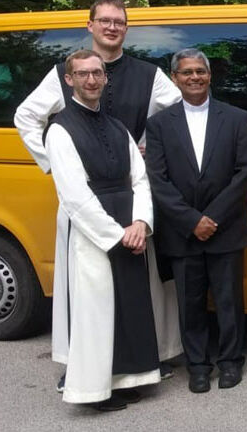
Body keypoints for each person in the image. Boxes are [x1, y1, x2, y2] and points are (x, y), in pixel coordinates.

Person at [14, 0, 183, 385]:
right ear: (89, 26)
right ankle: (80, 366)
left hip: (130, 196)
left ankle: (145, 358)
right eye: (104, 21)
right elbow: (26, 116)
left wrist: (147, 149)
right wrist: (61, 165)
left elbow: (175, 116)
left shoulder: (147, 74)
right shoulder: (64, 72)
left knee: (142, 284)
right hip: (84, 201)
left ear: (126, 28)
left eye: (118, 21)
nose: (111, 27)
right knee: (85, 288)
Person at [45, 49, 161, 411]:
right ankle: (93, 391)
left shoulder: (117, 126)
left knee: (127, 306)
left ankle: (123, 378)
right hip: (94, 231)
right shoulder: (60, 130)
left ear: (105, 78)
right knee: (96, 311)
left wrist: (141, 223)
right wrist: (116, 235)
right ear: (70, 80)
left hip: (128, 222)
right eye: (83, 74)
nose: (91, 80)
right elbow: (74, 195)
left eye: (97, 73)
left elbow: (140, 179)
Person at [144, 49, 247, 393]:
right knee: (189, 304)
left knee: (228, 301)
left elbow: (244, 171)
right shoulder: (160, 124)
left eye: (200, 71)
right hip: (183, 232)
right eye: (187, 72)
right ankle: (198, 367)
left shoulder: (236, 117)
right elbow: (157, 179)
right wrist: (192, 221)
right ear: (175, 78)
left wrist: (212, 218)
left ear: (210, 76)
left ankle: (231, 362)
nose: (194, 77)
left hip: (225, 228)